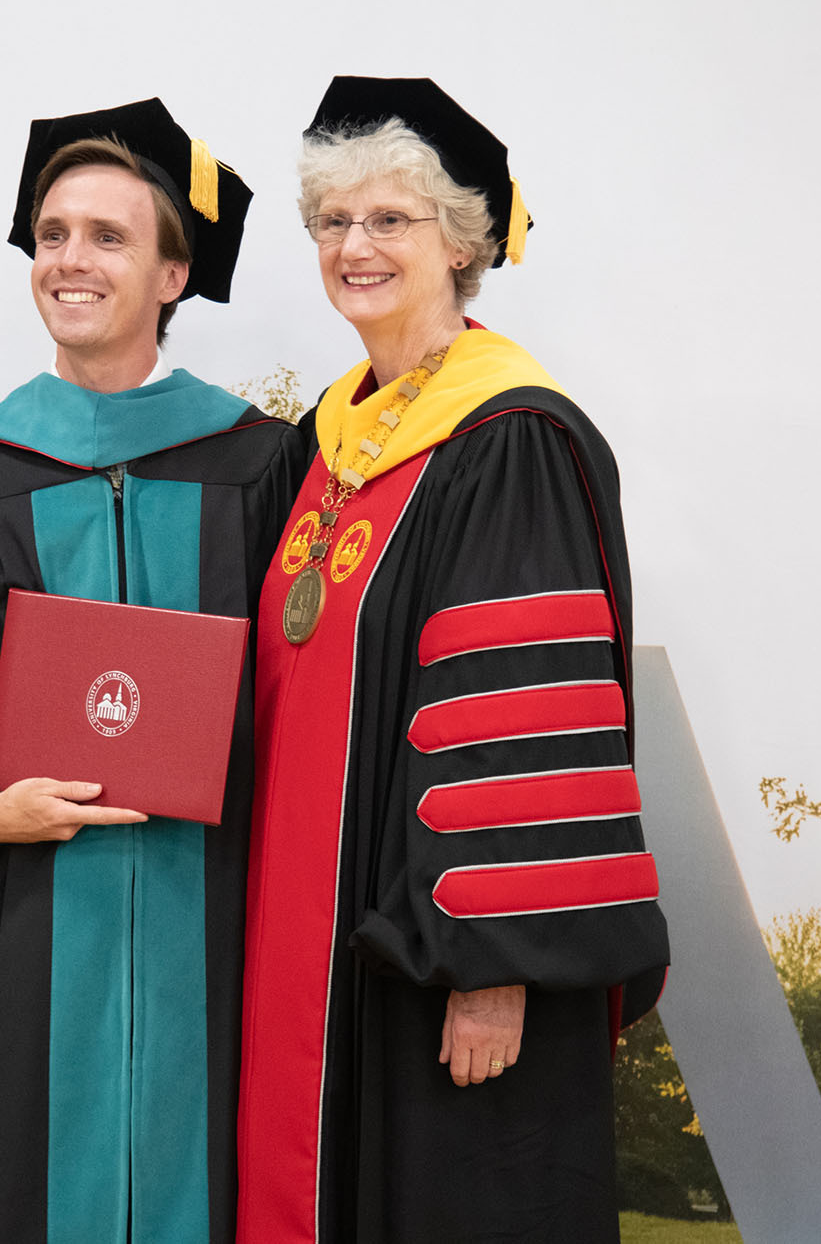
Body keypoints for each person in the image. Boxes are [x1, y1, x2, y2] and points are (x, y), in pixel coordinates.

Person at [0, 98, 304, 1242]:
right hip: (13, 919)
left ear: (173, 272)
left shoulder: (263, 463)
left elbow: (310, 694)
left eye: (107, 235)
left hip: (213, 916)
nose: (69, 260)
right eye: (51, 234)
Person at [237, 77, 671, 1243]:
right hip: (309, 938)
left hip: (440, 964)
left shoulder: (507, 436)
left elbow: (516, 721)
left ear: (462, 242)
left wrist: (494, 964)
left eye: (390, 219)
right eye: (332, 222)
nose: (354, 246)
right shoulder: (323, 444)